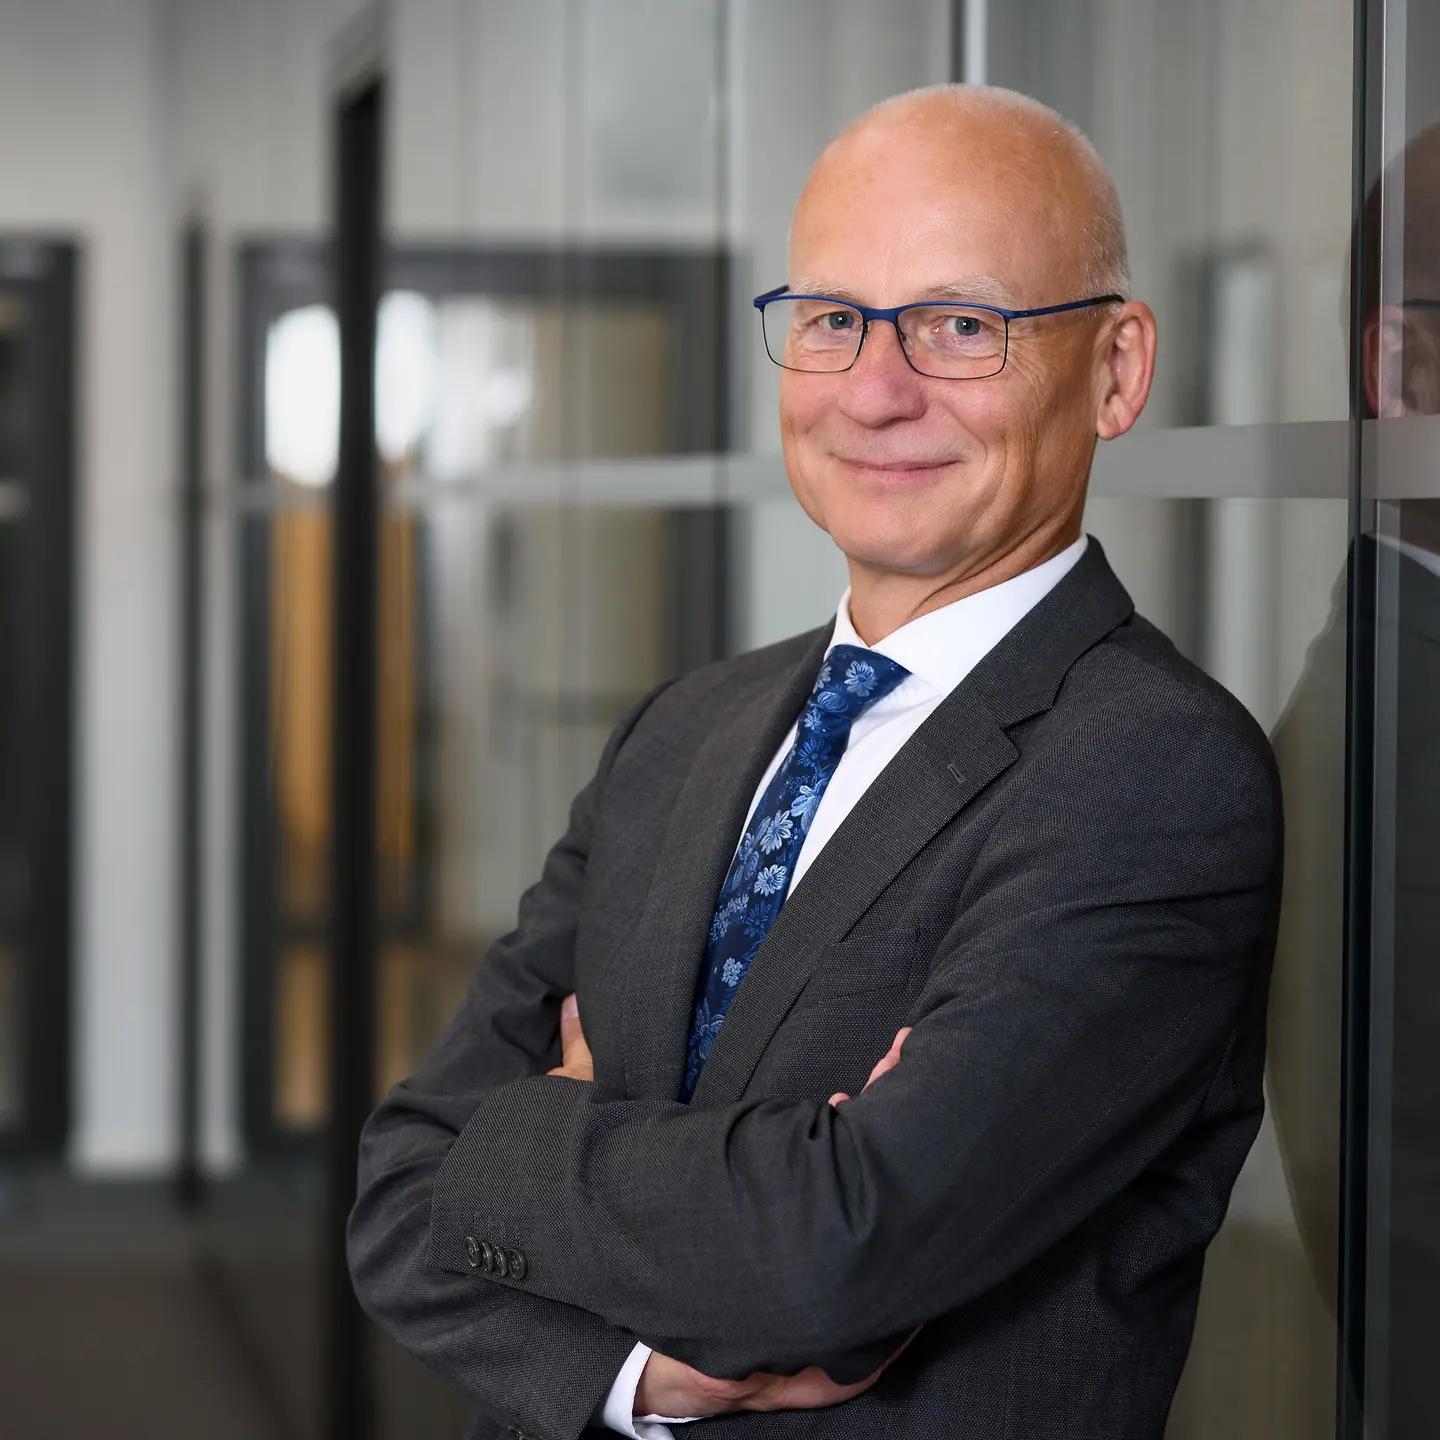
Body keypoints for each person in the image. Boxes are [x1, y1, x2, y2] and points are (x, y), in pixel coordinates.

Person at [348, 84, 1283, 1440]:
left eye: (961, 325)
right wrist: (640, 1373)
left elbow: (829, 1252)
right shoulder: (685, 729)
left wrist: (525, 1136)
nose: (875, 391)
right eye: (834, 319)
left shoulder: (1152, 773)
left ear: (1117, 371)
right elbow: (396, 1193)